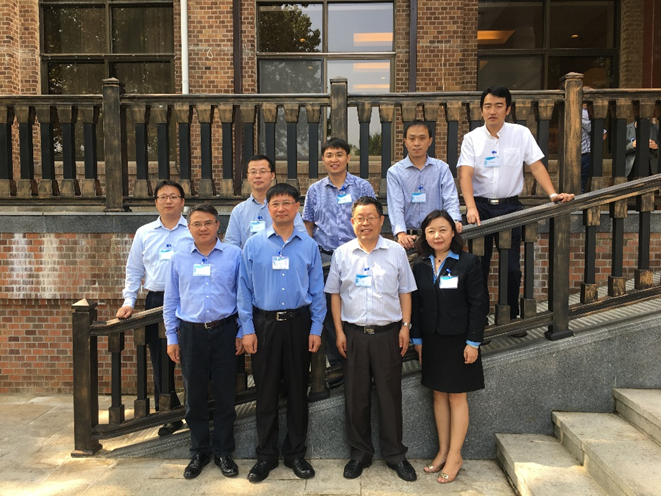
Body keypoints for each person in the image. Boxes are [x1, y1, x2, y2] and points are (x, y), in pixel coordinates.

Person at [458, 86, 574, 332]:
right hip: (480, 208)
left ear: (508, 109)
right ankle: (480, 320)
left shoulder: (520, 134)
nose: (493, 111)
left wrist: (552, 194)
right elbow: (465, 174)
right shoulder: (472, 138)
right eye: (488, 106)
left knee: (511, 268)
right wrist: (470, 207)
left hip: (510, 207)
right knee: (479, 267)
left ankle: (510, 316)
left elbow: (536, 166)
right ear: (481, 110)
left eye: (499, 105)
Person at [325, 196, 418, 482]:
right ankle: (360, 454)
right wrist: (339, 332)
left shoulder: (395, 252)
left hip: (388, 335)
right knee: (356, 398)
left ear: (381, 221)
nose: (365, 223)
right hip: (353, 335)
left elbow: (405, 291)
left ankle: (395, 454)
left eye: (371, 217)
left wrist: (405, 326)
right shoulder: (342, 254)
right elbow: (335, 295)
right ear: (352, 222)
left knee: (390, 396)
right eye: (360, 218)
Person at [238, 183, 326, 483]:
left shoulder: (308, 245)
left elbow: (317, 290)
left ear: (297, 207)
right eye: (275, 203)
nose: (281, 208)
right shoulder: (254, 245)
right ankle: (266, 455)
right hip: (264, 326)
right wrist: (247, 329)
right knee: (266, 392)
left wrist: (316, 327)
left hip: (299, 324)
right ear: (268, 208)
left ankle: (296, 453)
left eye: (287, 203)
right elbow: (243, 290)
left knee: (298, 391)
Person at [163, 203, 243, 480]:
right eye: (197, 224)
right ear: (189, 228)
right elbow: (171, 300)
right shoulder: (179, 258)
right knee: (194, 395)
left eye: (208, 222)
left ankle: (223, 451)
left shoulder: (234, 255)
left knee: (225, 395)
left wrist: (242, 332)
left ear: (218, 225)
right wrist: (171, 336)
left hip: (225, 331)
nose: (203, 228)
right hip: (191, 333)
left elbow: (243, 296)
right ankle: (199, 451)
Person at [411, 210, 486, 485]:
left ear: (453, 232)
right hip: (431, 339)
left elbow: (479, 303)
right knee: (438, 394)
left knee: (456, 396)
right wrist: (418, 341)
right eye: (431, 231)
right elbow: (416, 306)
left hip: (459, 340)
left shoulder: (468, 262)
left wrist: (473, 342)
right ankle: (443, 450)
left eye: (442, 230)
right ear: (425, 235)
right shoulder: (420, 264)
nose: (437, 236)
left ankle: (455, 455)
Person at [116, 180, 191, 436]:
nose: (168, 201)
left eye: (174, 196)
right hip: (157, 300)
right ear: (156, 202)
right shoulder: (144, 233)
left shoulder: (193, 229)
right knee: (161, 358)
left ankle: (198, 409)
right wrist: (128, 301)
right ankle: (169, 413)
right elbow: (134, 270)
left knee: (193, 354)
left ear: (183, 201)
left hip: (189, 298)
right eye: (163, 197)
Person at [303, 137, 376, 380]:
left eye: (339, 154)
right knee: (327, 312)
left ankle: (362, 361)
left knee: (359, 305)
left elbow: (372, 219)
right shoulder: (315, 190)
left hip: (357, 257)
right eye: (329, 155)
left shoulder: (362, 187)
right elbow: (308, 226)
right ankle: (337, 365)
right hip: (325, 259)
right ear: (323, 159)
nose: (334, 159)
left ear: (348, 157)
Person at [387, 119, 462, 250]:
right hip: (408, 239)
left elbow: (450, 199)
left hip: (437, 237)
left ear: (430, 141)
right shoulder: (395, 172)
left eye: (422, 138)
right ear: (405, 141)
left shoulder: (442, 169)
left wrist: (454, 220)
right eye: (412, 138)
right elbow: (396, 205)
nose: (417, 143)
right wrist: (401, 233)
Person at [224, 154, 305, 248]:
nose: (258, 176)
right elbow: (231, 245)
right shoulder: (239, 211)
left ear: (272, 175)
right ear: (247, 176)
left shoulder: (285, 208)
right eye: (253, 172)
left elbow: (301, 238)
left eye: (262, 171)